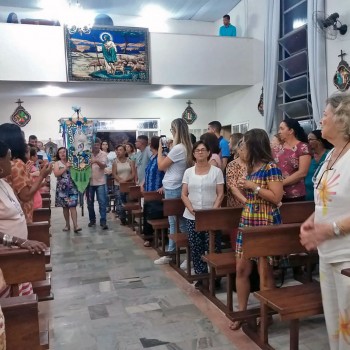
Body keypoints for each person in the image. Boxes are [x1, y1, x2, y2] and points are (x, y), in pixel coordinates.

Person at [300, 92, 350, 350]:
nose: (321, 119)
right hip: (327, 253)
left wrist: (328, 229)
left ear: (342, 119)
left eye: (325, 115)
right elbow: (324, 198)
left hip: (347, 256)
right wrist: (311, 221)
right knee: (335, 326)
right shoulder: (331, 155)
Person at [231, 129, 283, 330]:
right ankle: (241, 313)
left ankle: (266, 313)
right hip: (249, 219)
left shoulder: (271, 168)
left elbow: (277, 197)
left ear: (254, 145)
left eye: (244, 144)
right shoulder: (250, 167)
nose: (241, 148)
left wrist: (253, 187)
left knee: (264, 272)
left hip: (265, 220)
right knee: (241, 268)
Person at [0, 140, 48, 299]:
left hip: (16, 253)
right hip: (6, 256)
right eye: (8, 158)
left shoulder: (3, 183)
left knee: (21, 298)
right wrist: (19, 242)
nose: (11, 162)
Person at [181, 141, 224, 288]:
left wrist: (213, 209)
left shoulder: (216, 172)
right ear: (193, 154)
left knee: (213, 245)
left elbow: (220, 194)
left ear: (208, 153)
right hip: (192, 215)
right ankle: (201, 276)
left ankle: (216, 276)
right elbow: (184, 194)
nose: (200, 152)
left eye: (203, 150)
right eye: (197, 150)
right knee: (196, 246)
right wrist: (191, 208)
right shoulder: (188, 172)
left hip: (211, 215)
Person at [154, 118, 193, 265]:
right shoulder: (184, 147)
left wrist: (160, 149)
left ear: (175, 131)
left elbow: (161, 166)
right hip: (176, 186)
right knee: (175, 222)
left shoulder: (178, 149)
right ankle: (172, 254)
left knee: (178, 223)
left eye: (172, 130)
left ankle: (188, 256)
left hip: (174, 187)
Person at [0, 124, 51, 223]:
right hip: (20, 216)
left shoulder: (5, 163)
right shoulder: (17, 164)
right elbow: (25, 196)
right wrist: (42, 175)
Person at [273, 118, 311, 202]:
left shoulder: (303, 147)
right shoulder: (276, 148)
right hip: (277, 194)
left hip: (295, 195)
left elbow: (302, 173)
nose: (279, 131)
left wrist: (280, 184)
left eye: (282, 129)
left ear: (291, 131)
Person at [140, 136, 165, 247]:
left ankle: (160, 237)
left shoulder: (162, 157)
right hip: (149, 190)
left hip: (157, 191)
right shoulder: (152, 157)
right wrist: (143, 183)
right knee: (147, 213)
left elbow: (167, 173)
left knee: (155, 213)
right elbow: (148, 171)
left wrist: (164, 186)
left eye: (150, 143)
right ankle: (148, 237)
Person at [53, 147, 81, 233]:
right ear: (58, 154)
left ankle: (76, 225)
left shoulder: (72, 161)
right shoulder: (57, 163)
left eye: (64, 152)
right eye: (60, 152)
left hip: (72, 188)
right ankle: (67, 225)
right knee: (65, 207)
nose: (62, 154)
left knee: (72, 206)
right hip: (62, 189)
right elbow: (56, 174)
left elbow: (78, 172)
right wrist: (65, 167)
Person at [304, 130, 333, 201]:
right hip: (309, 196)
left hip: (325, 195)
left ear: (319, 141)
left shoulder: (330, 155)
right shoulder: (308, 157)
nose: (308, 142)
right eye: (308, 140)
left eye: (310, 139)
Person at [87, 138, 108, 230]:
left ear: (99, 144)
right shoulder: (87, 154)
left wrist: (96, 161)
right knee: (89, 203)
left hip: (100, 182)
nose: (96, 146)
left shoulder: (103, 154)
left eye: (97, 144)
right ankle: (92, 220)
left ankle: (103, 221)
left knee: (102, 202)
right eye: (94, 145)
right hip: (89, 182)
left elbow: (103, 166)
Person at [112, 144, 135, 225]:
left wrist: (126, 180)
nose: (119, 151)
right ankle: (123, 218)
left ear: (125, 151)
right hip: (118, 185)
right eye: (117, 150)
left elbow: (133, 173)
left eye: (121, 150)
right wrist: (120, 180)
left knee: (129, 201)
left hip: (129, 184)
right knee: (119, 202)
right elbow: (114, 174)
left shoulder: (130, 161)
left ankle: (131, 218)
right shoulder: (115, 162)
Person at [226, 139, 247, 208]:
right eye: (242, 150)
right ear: (238, 150)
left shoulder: (254, 164)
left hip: (254, 206)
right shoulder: (232, 165)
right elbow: (232, 187)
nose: (245, 152)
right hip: (236, 206)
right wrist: (247, 203)